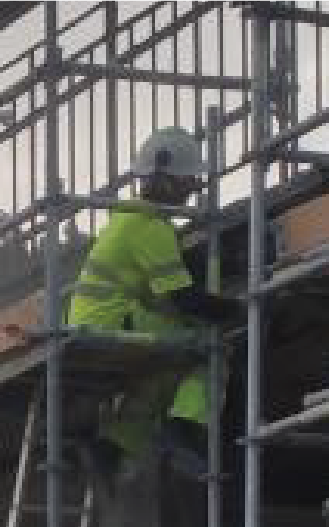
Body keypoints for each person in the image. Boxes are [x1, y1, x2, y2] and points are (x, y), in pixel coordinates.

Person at [68, 125, 238, 464]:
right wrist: (236, 310)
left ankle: (114, 446)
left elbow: (161, 301)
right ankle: (184, 428)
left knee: (157, 374)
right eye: (188, 180)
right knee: (212, 350)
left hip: (96, 323)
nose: (193, 188)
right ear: (165, 178)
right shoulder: (150, 227)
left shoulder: (125, 220)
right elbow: (182, 298)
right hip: (113, 325)